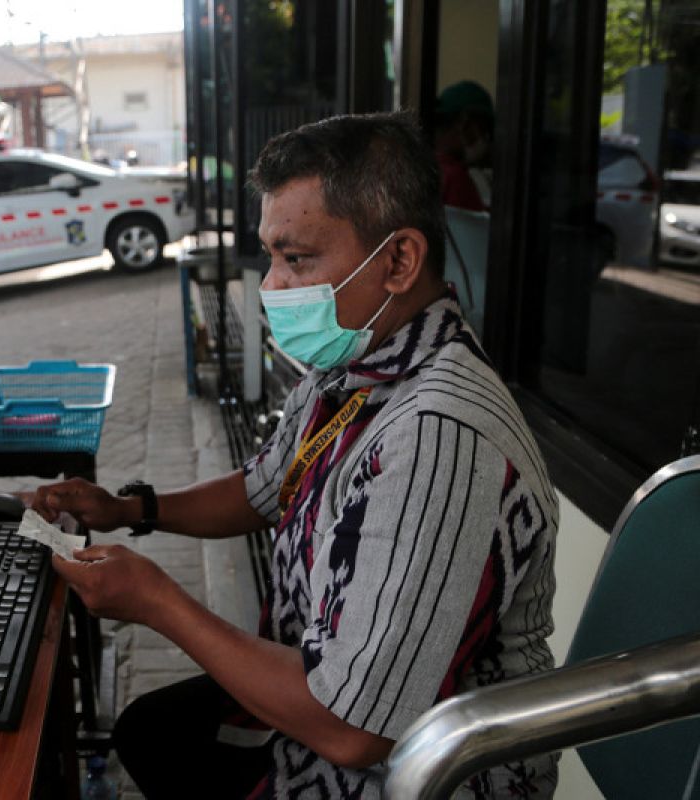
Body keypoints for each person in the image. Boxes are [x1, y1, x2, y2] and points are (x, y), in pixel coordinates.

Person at [34, 112, 558, 798]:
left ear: (398, 261)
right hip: (320, 685)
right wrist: (131, 509)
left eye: (298, 258)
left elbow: (354, 728)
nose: (273, 287)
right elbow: (265, 485)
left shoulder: (438, 437)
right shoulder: (360, 361)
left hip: (419, 774)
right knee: (150, 731)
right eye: (272, 256)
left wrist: (156, 601)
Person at [433, 80, 494, 211]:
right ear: (464, 123)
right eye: (483, 129)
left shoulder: (424, 168)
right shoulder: (456, 180)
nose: (486, 141)